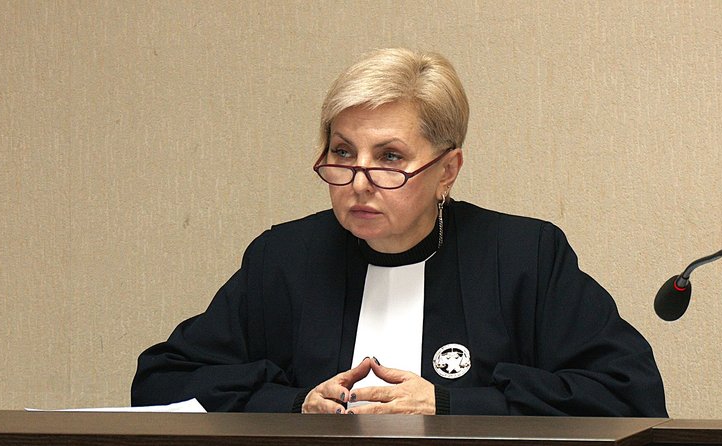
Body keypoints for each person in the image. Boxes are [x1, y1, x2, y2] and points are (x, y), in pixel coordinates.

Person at [131, 48, 668, 416]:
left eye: (389, 157)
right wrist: (293, 404)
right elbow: (161, 382)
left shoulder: (524, 256)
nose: (358, 182)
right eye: (343, 152)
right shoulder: (284, 258)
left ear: (447, 170)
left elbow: (629, 394)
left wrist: (453, 405)